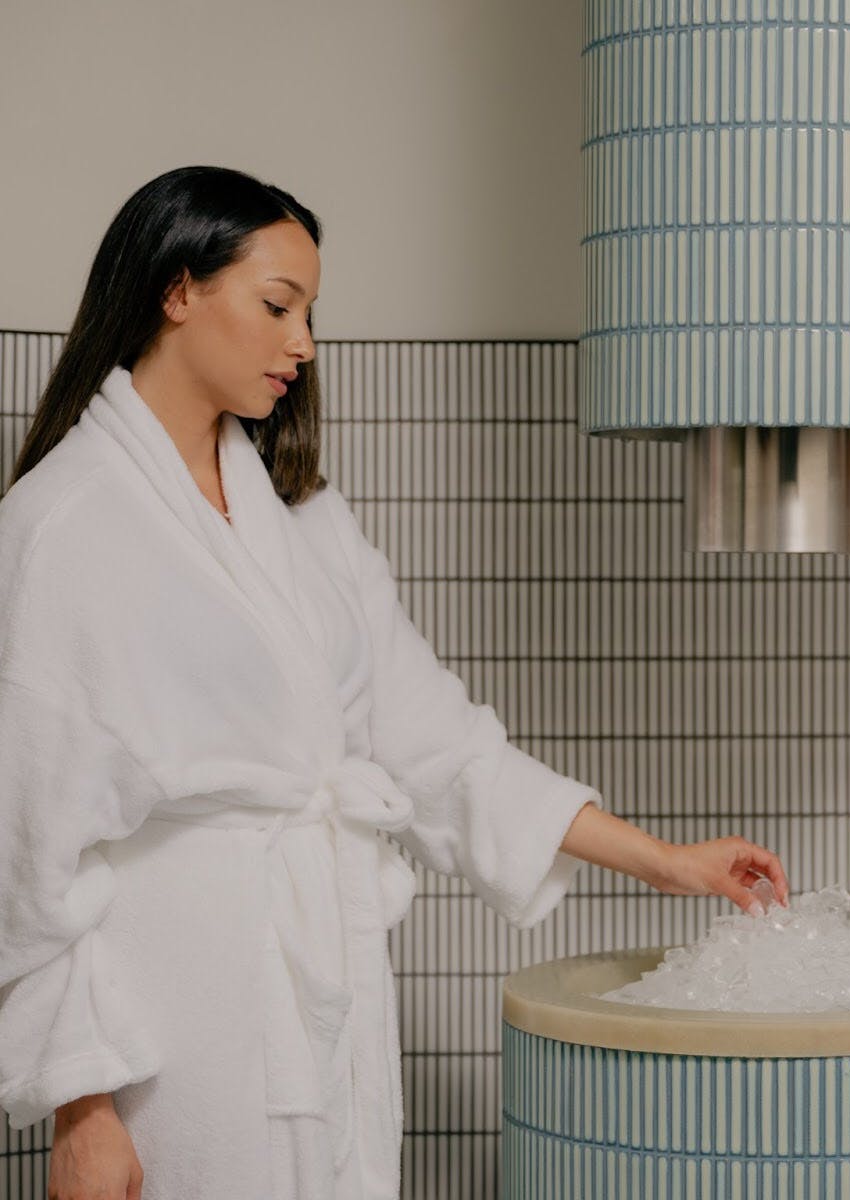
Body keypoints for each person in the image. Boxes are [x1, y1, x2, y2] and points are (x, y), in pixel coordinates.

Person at [0, 166, 790, 1200]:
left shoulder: (302, 516)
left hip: (328, 992)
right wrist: (81, 1105)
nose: (304, 345)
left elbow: (435, 743)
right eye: (278, 306)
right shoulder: (62, 526)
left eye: (311, 314)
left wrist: (665, 863)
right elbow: (22, 843)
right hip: (173, 1024)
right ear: (177, 290)